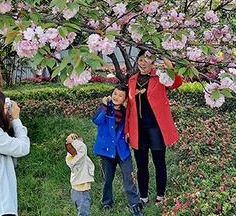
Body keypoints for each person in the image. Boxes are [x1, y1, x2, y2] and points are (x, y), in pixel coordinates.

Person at [125, 54, 182, 205]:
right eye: (140, 60)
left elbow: (176, 83)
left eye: (146, 60)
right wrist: (127, 130)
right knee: (141, 165)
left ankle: (160, 195)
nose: (143, 63)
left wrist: (169, 67)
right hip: (138, 130)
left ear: (153, 62)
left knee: (159, 162)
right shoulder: (132, 80)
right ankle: (143, 196)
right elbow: (130, 108)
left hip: (156, 128)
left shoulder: (160, 77)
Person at [92, 84, 144, 215]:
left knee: (129, 178)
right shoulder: (104, 108)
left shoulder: (126, 112)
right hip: (106, 151)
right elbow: (97, 121)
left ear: (125, 99)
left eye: (121, 95)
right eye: (115, 94)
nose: (117, 97)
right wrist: (104, 106)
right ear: (111, 94)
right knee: (107, 179)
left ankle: (135, 204)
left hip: (122, 151)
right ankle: (107, 202)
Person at [65, 133, 95, 216]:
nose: (81, 142)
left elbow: (78, 148)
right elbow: (83, 148)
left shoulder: (73, 157)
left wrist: (72, 140)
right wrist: (71, 140)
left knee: (82, 211)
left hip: (77, 189)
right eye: (77, 141)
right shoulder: (79, 159)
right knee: (83, 212)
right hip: (81, 191)